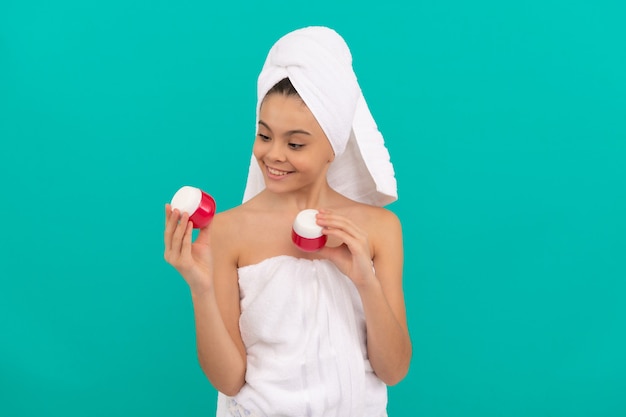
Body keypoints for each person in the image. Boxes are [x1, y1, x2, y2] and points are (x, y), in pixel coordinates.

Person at [164, 26, 411, 417]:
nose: (274, 155)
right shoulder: (228, 231)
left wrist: (365, 280)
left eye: (296, 143)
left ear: (334, 144)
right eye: (264, 136)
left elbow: (393, 370)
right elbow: (229, 380)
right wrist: (201, 288)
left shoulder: (379, 229)